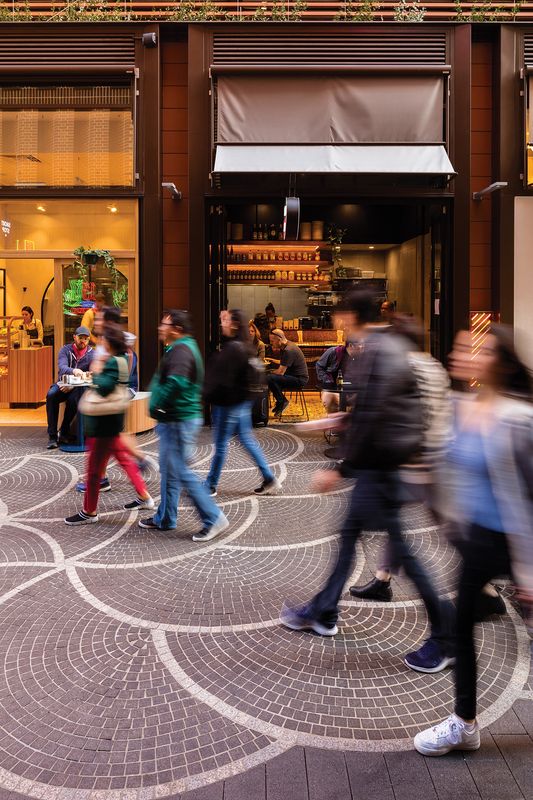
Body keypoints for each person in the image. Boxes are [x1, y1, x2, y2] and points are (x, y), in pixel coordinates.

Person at [280, 289, 455, 674]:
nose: (337, 322)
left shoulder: (378, 349)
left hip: (383, 469)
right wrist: (336, 423)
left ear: (350, 315)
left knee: (404, 554)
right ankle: (323, 611)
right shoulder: (388, 345)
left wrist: (341, 467)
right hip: (384, 466)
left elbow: (375, 416)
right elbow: (372, 412)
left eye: (341, 315)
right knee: (350, 536)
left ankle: (446, 636)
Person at [413, 326, 533, 757]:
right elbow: (440, 466)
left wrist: (528, 570)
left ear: (495, 363)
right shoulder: (459, 405)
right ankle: (464, 723)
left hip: (510, 541)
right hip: (477, 541)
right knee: (460, 625)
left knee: (463, 625)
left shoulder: (518, 418)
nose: (459, 352)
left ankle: (464, 724)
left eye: (472, 348)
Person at [139, 309, 229, 541]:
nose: (160, 327)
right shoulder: (182, 347)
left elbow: (176, 383)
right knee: (171, 471)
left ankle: (213, 517)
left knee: (180, 471)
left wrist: (158, 405)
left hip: (178, 419)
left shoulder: (180, 350)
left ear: (177, 329)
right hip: (175, 419)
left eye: (164, 324)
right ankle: (166, 518)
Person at [64, 323, 154, 525]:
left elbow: (104, 388)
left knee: (95, 469)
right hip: (110, 422)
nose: (100, 341)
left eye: (103, 338)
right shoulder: (120, 358)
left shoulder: (114, 362)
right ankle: (144, 495)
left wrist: (96, 371)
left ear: (111, 342)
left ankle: (89, 511)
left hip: (104, 423)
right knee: (122, 458)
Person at [204, 309, 281, 498]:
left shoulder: (232, 349)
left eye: (226, 321)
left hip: (228, 404)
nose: (222, 324)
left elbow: (221, 379)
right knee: (247, 440)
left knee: (221, 444)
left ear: (235, 325)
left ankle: (210, 484)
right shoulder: (245, 346)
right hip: (241, 403)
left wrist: (208, 394)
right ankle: (269, 478)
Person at [45, 325, 94, 449]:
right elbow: (62, 367)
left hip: (78, 388)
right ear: (74, 337)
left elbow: (90, 375)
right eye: (80, 337)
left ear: (88, 340)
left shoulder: (91, 354)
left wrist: (73, 384)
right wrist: (75, 371)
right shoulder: (65, 350)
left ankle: (64, 431)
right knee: (51, 395)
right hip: (62, 384)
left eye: (86, 338)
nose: (83, 340)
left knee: (73, 400)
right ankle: (52, 436)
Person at [266, 329, 309, 417]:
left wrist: (268, 371)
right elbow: (284, 362)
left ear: (279, 339)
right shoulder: (287, 346)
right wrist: (271, 360)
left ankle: (282, 402)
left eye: (272, 341)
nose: (271, 343)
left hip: (299, 380)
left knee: (269, 378)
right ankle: (280, 402)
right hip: (293, 376)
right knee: (271, 379)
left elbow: (280, 372)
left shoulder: (288, 350)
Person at [316, 340, 361, 414]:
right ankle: (336, 419)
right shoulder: (333, 352)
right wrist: (327, 380)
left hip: (349, 386)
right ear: (351, 345)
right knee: (331, 401)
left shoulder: (359, 357)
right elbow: (319, 366)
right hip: (331, 384)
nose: (361, 347)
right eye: (359, 344)